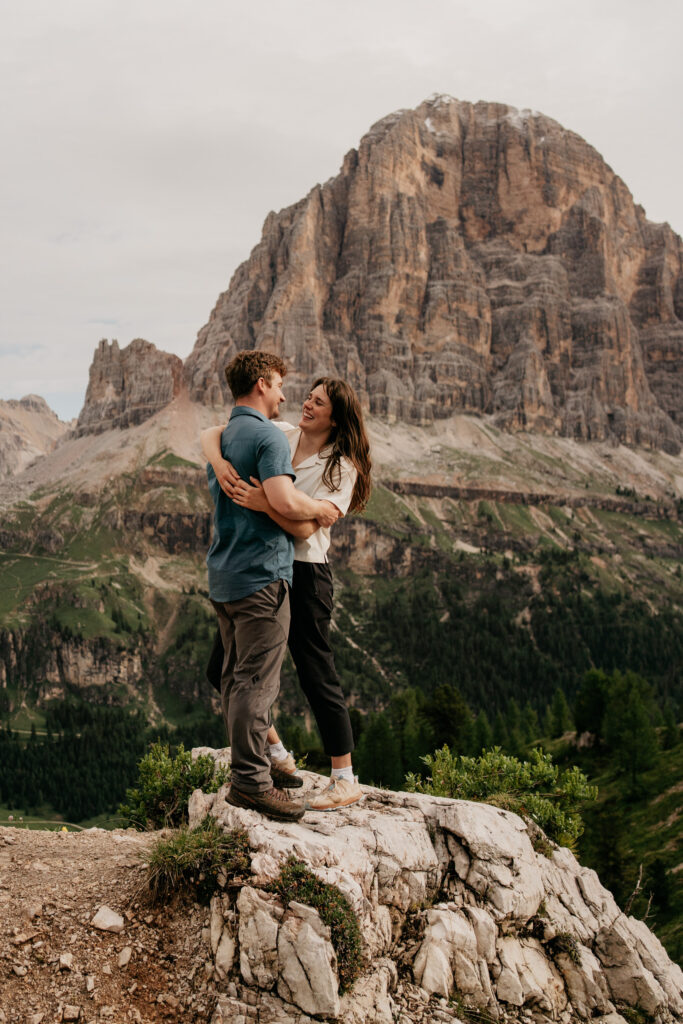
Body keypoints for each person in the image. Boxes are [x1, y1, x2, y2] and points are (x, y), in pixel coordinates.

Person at [201, 376, 372, 810]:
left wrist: (265, 502)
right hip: (266, 569)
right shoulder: (281, 433)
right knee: (221, 667)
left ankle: (344, 777)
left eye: (319, 403)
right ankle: (276, 752)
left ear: (337, 418)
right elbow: (212, 433)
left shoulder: (343, 467)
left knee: (315, 670)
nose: (307, 405)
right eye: (308, 397)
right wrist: (219, 465)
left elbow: (306, 528)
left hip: (307, 572)